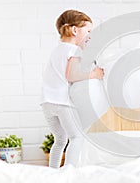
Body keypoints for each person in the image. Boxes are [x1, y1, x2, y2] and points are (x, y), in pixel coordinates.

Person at [41, 9, 104, 168]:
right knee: (77, 137)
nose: (90, 36)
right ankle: (70, 170)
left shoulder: (57, 49)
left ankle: (53, 172)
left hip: (47, 102)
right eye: (88, 31)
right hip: (61, 102)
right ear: (75, 30)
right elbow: (72, 75)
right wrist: (94, 74)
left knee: (60, 139)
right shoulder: (73, 50)